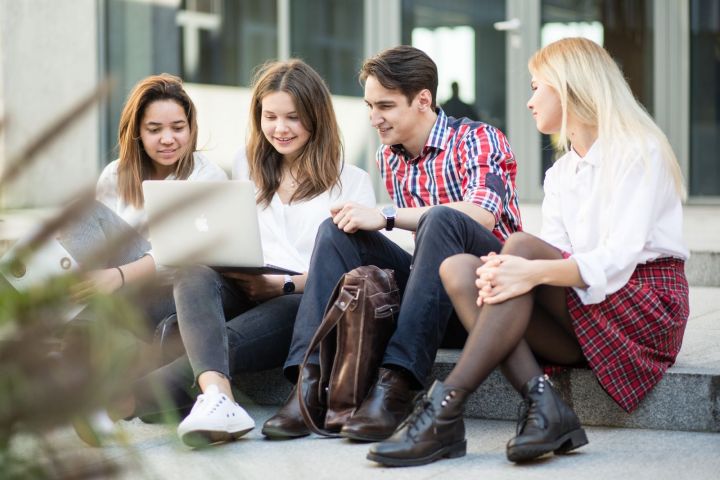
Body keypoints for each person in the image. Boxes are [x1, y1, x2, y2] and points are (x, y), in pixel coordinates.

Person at [367, 37, 689, 467]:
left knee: (517, 248)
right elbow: (558, 253)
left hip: (644, 307)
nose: (529, 101)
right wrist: (524, 271)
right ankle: (545, 406)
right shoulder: (560, 174)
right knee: (461, 269)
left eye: (538, 87)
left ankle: (444, 409)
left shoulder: (637, 151)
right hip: (583, 311)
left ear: (571, 88)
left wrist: (530, 271)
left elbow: (616, 261)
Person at [262, 45, 521, 441]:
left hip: (485, 300)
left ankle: (395, 384)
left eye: (384, 106)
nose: (373, 118)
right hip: (432, 300)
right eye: (369, 106)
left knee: (442, 219)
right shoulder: (391, 157)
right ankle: (307, 383)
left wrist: (385, 214)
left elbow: (481, 214)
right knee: (337, 229)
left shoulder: (478, 138)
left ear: (422, 100)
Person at [113, 59, 376, 448]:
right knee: (193, 270)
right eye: (270, 116)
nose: (280, 128)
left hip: (303, 299)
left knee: (244, 330)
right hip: (245, 283)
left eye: (293, 117)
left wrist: (284, 284)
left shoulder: (352, 181)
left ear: (317, 117)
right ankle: (220, 398)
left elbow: (354, 273)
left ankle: (131, 398)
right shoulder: (246, 165)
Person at [62, 73, 228, 445]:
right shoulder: (116, 175)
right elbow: (95, 242)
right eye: (154, 129)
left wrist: (118, 276)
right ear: (137, 132)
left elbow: (187, 254)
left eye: (177, 127)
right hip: (119, 292)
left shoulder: (207, 175)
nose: (168, 138)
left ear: (191, 127)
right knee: (79, 212)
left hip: (177, 295)